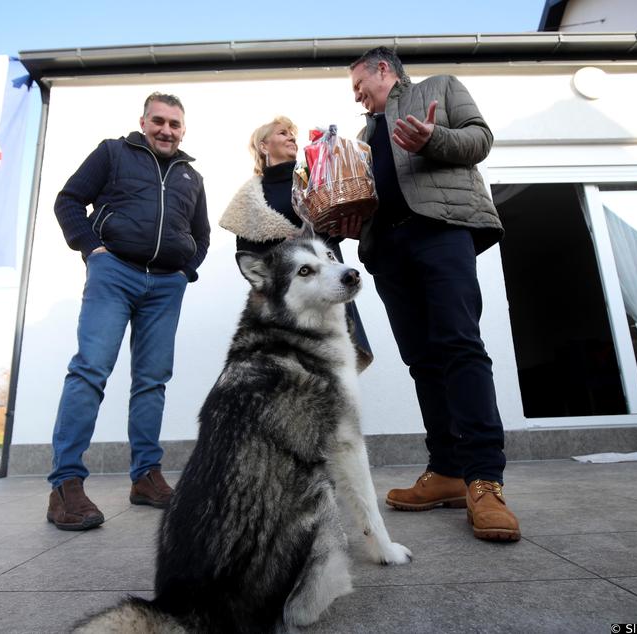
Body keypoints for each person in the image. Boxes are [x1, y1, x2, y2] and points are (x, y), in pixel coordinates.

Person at [348, 47, 520, 541]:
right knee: (422, 361)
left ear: (383, 69)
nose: (357, 96)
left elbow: (480, 139)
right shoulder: (363, 136)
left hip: (440, 231)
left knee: (460, 347)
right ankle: (445, 470)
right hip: (388, 249)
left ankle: (484, 480)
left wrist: (432, 137)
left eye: (359, 85)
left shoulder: (439, 88)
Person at [45, 92, 210, 531]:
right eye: (159, 121)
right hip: (114, 273)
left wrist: (185, 272)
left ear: (183, 130)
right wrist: (92, 249)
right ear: (143, 122)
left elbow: (202, 236)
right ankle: (65, 485)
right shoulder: (112, 152)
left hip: (166, 285)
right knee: (90, 370)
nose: (166, 130)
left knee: (152, 381)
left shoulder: (191, 176)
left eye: (174, 124)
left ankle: (146, 477)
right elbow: (68, 201)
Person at [218, 116, 373, 371]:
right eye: (282, 133)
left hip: (331, 284)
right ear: (263, 146)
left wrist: (341, 226)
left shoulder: (314, 177)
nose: (291, 137)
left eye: (292, 133)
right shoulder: (250, 199)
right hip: (292, 302)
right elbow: (250, 257)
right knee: (298, 376)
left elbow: (333, 231)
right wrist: (284, 250)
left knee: (340, 370)